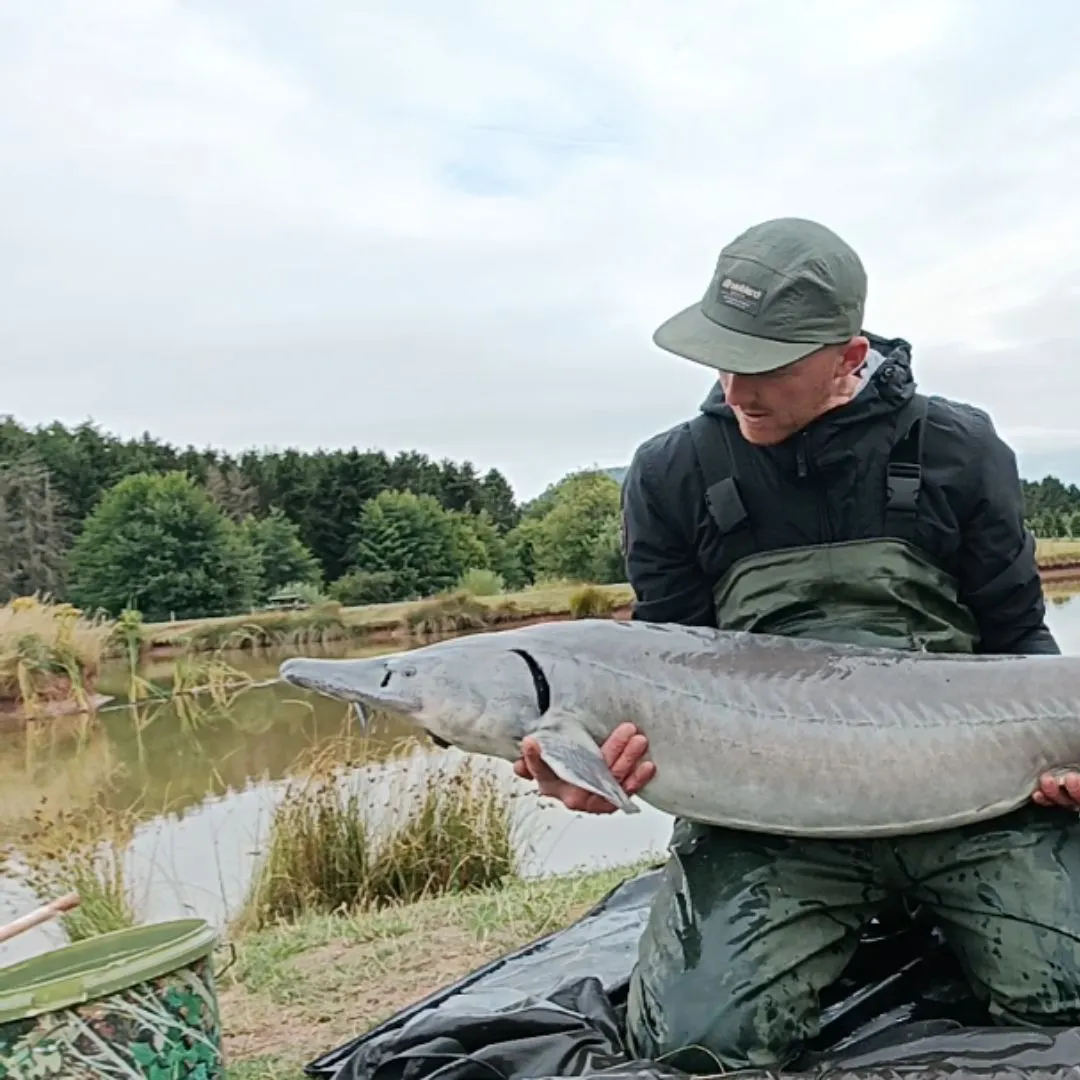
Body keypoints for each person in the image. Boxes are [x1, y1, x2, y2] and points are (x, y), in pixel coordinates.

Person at [512, 216, 1080, 1074]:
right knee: (699, 1047)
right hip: (767, 819)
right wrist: (593, 766)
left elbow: (1019, 641)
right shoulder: (672, 473)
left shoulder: (959, 447)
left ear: (850, 356)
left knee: (1067, 989)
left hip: (978, 802)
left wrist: (1065, 759)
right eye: (725, 358)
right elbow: (661, 669)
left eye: (770, 365)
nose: (738, 389)